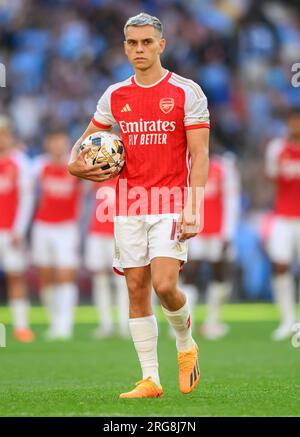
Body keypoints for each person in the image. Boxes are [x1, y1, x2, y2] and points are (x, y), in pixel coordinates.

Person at [68, 13, 210, 398]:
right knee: (135, 288)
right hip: (128, 204)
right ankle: (151, 378)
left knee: (165, 285)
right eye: (132, 43)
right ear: (124, 46)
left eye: (147, 42)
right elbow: (82, 148)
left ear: (161, 45)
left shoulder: (186, 91)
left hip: (171, 201)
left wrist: (193, 207)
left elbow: (200, 156)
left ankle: (186, 343)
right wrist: (75, 164)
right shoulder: (115, 95)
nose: (139, 49)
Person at [32, 129, 81, 340]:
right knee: (46, 275)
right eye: (53, 141)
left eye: (61, 141)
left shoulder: (77, 166)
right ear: (47, 143)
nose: (57, 145)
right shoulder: (38, 166)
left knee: (65, 274)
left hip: (67, 227)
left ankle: (65, 325)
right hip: (42, 226)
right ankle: (53, 321)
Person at [186, 149, 240, 340]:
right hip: (195, 228)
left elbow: (232, 200)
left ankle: (213, 321)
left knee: (219, 272)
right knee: (190, 272)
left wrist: (228, 233)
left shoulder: (224, 168)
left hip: (218, 230)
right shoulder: (187, 164)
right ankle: (186, 323)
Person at [265, 107, 300, 341]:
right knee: (279, 265)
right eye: (293, 121)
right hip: (283, 217)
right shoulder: (277, 148)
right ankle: (287, 320)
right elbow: (272, 178)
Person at [0, 116, 35, 342]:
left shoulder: (20, 162)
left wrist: (19, 230)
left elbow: (27, 198)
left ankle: (21, 326)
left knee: (15, 276)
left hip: (10, 231)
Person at [85, 179, 129, 338]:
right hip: (97, 232)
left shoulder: (127, 174)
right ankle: (105, 324)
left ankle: (124, 324)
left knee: (122, 280)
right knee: (100, 278)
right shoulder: (99, 173)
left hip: (120, 233)